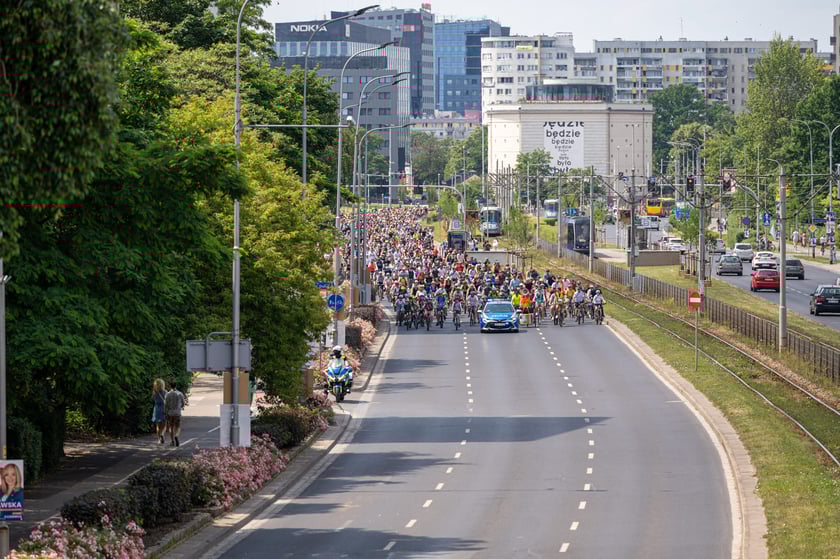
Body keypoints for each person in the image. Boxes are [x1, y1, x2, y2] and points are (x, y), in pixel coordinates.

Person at [164, 381, 186, 447]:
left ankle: (172, 441)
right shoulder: (180, 393)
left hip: (170, 413)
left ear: (170, 386)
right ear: (176, 386)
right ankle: (176, 436)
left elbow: (166, 404)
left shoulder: (167, 394)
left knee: (171, 427)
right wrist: (180, 407)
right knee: (178, 426)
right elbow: (183, 403)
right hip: (177, 413)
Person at [152, 378, 166, 444]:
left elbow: (154, 400)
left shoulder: (154, 393)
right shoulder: (165, 392)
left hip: (157, 409)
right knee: (164, 425)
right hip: (163, 408)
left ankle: (159, 440)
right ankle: (162, 435)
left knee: (158, 426)